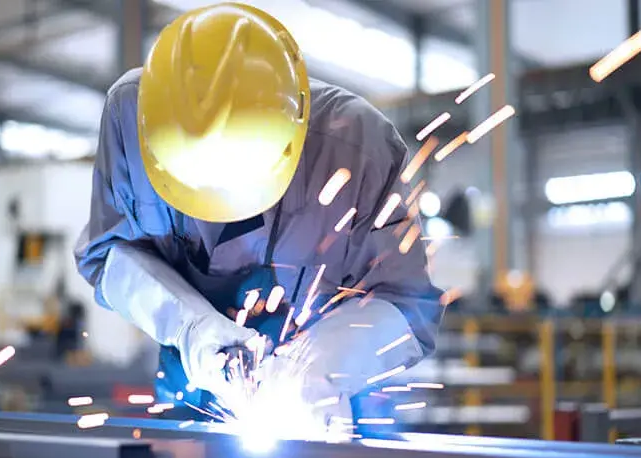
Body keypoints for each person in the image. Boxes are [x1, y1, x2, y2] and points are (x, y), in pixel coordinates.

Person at [74, 2, 443, 429]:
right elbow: (108, 258)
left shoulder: (357, 145)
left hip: (326, 411)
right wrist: (189, 327)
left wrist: (318, 369)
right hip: (189, 401)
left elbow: (408, 303)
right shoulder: (128, 118)